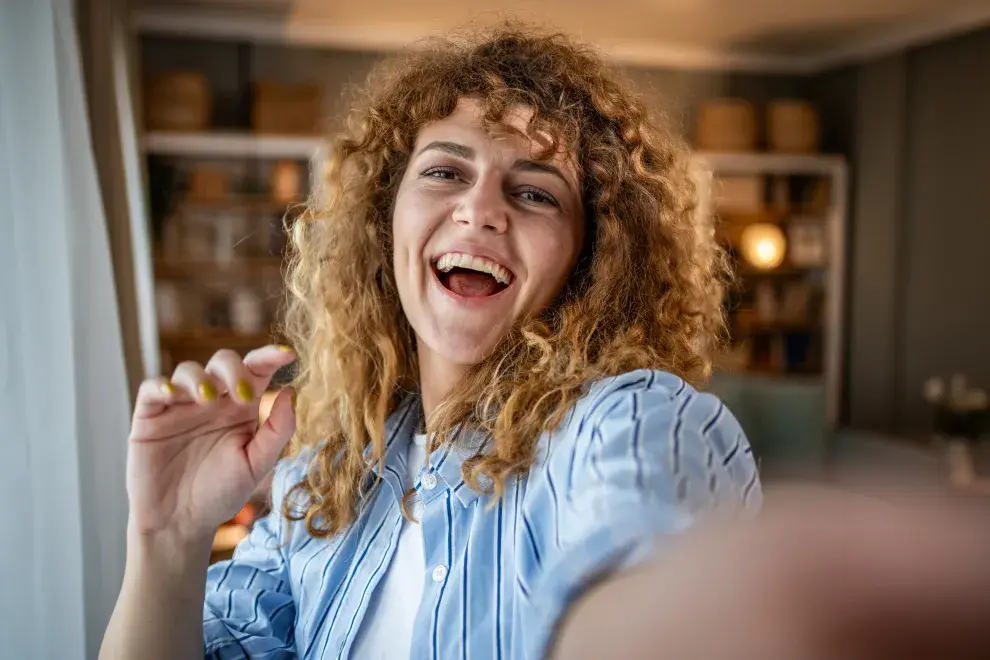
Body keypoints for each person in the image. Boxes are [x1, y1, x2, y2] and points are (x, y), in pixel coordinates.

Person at [101, 25, 990, 660]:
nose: (481, 207)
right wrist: (168, 541)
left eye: (534, 193)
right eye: (445, 170)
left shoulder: (626, 421)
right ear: (384, 224)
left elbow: (629, 575)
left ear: (587, 259)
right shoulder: (323, 470)